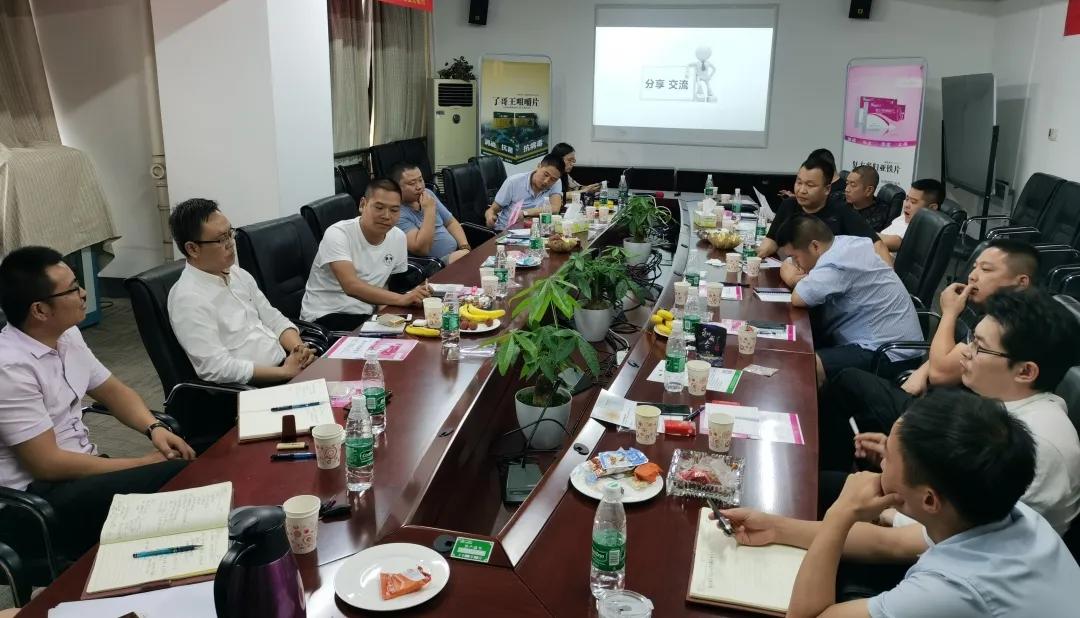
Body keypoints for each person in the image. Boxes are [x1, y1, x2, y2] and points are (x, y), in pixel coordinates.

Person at [718, 389, 1080, 617]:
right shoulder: (1006, 512)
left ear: (929, 499)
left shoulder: (952, 591)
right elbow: (888, 543)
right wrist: (777, 528)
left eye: (889, 457)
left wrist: (841, 513)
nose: (880, 464)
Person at [825, 288, 1080, 535]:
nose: (966, 352)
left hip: (953, 550)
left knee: (822, 494)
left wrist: (881, 514)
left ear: (1025, 371)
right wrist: (904, 461)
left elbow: (972, 539)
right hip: (932, 516)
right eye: (971, 339)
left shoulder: (1038, 446)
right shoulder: (1002, 405)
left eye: (979, 346)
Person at [0, 247, 196, 558]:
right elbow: (46, 464)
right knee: (181, 477)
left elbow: (113, 391)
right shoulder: (10, 368)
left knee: (193, 464)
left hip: (80, 473)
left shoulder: (67, 336)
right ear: (40, 310)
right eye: (72, 289)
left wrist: (154, 428)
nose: (83, 293)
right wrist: (141, 463)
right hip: (37, 501)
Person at [166, 198, 314, 385]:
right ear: (193, 249)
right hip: (252, 388)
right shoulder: (187, 299)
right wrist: (283, 373)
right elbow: (216, 368)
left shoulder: (237, 274)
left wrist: (299, 350)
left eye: (230, 233)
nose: (231, 243)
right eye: (221, 239)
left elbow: (274, 319)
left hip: (285, 365)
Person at [776, 215, 922, 386]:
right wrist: (791, 268)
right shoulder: (844, 244)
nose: (795, 264)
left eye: (796, 257)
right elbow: (788, 264)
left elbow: (799, 298)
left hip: (890, 353)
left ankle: (822, 404)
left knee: (808, 365)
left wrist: (790, 277)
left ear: (815, 246)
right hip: (886, 340)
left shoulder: (837, 262)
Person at [301, 179, 431, 331]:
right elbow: (351, 286)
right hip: (326, 316)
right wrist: (402, 299)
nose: (386, 216)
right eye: (379, 207)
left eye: (394, 210)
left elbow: (383, 283)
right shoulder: (337, 234)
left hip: (367, 314)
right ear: (363, 204)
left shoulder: (398, 237)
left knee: (422, 325)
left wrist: (390, 310)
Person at [757, 155, 892, 266]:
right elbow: (771, 240)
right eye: (799, 182)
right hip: (797, 269)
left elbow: (877, 244)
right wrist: (755, 256)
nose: (801, 190)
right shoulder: (789, 205)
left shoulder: (841, 210)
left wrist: (890, 280)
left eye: (810, 185)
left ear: (827, 189)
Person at [389, 162, 472, 264]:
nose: (419, 186)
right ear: (396, 187)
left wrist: (464, 247)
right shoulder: (397, 213)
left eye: (420, 180)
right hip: (434, 264)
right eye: (412, 183)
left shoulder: (428, 194)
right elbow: (421, 249)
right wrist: (429, 211)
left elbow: (450, 222)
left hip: (457, 253)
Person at [484, 154, 565, 231]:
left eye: (553, 179)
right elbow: (492, 210)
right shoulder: (514, 182)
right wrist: (490, 217)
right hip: (507, 231)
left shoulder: (556, 182)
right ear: (538, 166)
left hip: (535, 230)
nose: (546, 181)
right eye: (545, 175)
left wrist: (526, 212)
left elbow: (555, 208)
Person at [879, 179, 946, 253]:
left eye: (913, 202)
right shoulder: (908, 216)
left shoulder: (922, 231)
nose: (906, 205)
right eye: (907, 199)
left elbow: (895, 242)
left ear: (932, 208)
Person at [844, 165, 891, 232]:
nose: (846, 189)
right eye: (847, 184)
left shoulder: (879, 215)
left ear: (869, 190)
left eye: (853, 185)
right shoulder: (840, 201)